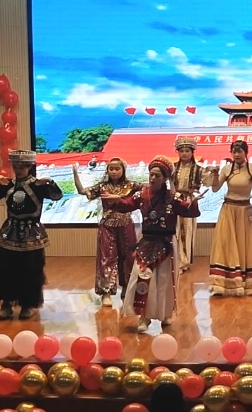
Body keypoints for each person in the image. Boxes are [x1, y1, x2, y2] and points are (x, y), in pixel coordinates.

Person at [106, 156, 195, 331]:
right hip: (146, 243)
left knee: (164, 281)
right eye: (151, 175)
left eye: (157, 176)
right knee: (141, 277)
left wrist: (193, 203)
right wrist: (113, 200)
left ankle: (165, 314)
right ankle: (143, 317)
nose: (153, 178)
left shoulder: (173, 197)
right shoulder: (142, 195)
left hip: (166, 243)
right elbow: (126, 205)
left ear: (165, 178)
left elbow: (188, 210)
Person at [0, 150, 63, 320]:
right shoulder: (8, 184)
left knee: (31, 270)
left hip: (32, 233)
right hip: (10, 232)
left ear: (29, 167)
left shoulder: (38, 185)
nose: (18, 170)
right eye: (16, 167)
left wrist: (50, 182)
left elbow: (57, 196)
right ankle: (6, 304)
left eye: (22, 167)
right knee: (5, 269)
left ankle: (28, 304)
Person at [73, 157, 140, 307]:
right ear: (107, 170)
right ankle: (106, 293)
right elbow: (82, 191)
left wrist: (119, 197)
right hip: (107, 226)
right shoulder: (102, 186)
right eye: (111, 169)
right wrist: (75, 174)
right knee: (106, 258)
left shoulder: (131, 185)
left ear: (123, 170)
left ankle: (127, 288)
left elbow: (148, 190)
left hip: (126, 225)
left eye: (117, 169)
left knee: (128, 257)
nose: (114, 171)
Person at [208, 140, 252, 296]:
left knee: (245, 245)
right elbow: (215, 189)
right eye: (234, 152)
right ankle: (222, 283)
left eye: (239, 152)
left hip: (244, 211)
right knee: (225, 243)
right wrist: (215, 174)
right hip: (228, 210)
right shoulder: (227, 169)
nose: (236, 155)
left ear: (245, 153)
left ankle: (248, 282)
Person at [172, 137, 208, 273]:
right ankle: (176, 260)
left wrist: (214, 173)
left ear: (192, 152)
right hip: (174, 200)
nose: (184, 153)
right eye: (181, 151)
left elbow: (209, 182)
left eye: (187, 151)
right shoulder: (173, 168)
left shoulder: (198, 169)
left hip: (189, 201)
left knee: (186, 232)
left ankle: (184, 262)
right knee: (174, 230)